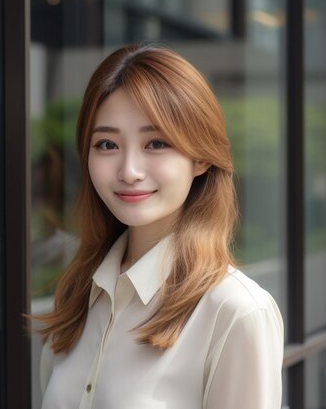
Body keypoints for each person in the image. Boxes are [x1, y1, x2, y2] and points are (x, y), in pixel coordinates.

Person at [35, 44, 284, 409]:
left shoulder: (235, 312)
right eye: (107, 144)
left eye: (156, 143)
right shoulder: (80, 294)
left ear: (200, 158)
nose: (129, 171)